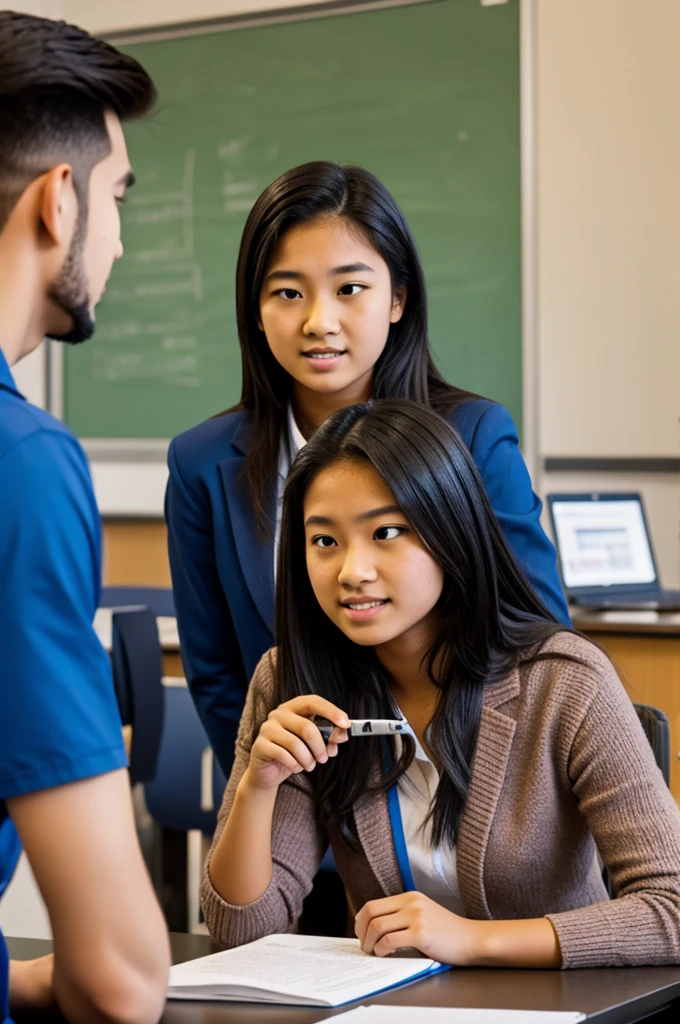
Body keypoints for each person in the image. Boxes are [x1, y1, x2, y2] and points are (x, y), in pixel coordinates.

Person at [200, 400, 680, 968]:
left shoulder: (565, 682)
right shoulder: (290, 682)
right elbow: (239, 931)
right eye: (324, 541)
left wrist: (471, 942)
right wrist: (260, 784)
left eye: (386, 532)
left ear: (450, 531)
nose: (352, 571)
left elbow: (670, 909)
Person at [166, 161, 570, 780]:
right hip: (305, 827)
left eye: (349, 289)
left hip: (470, 822)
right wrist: (289, 822)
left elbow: (539, 646)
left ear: (398, 298)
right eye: (288, 292)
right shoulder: (201, 463)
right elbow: (219, 679)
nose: (318, 321)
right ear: (254, 308)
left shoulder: (474, 437)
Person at [0, 12, 170, 1024]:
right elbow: (120, 982)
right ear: (57, 201)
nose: (116, 234)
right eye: (116, 196)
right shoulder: (23, 465)